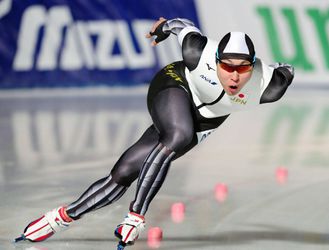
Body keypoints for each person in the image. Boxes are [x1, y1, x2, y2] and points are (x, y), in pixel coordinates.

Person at [15, 17, 294, 249]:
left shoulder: (267, 86)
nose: (234, 76)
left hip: (205, 121)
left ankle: (61, 217)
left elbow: (286, 71)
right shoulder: (198, 52)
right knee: (179, 134)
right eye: (227, 66)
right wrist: (162, 28)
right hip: (175, 86)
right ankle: (136, 215)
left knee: (125, 172)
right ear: (216, 60)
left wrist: (282, 69)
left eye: (243, 68)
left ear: (253, 65)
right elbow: (180, 25)